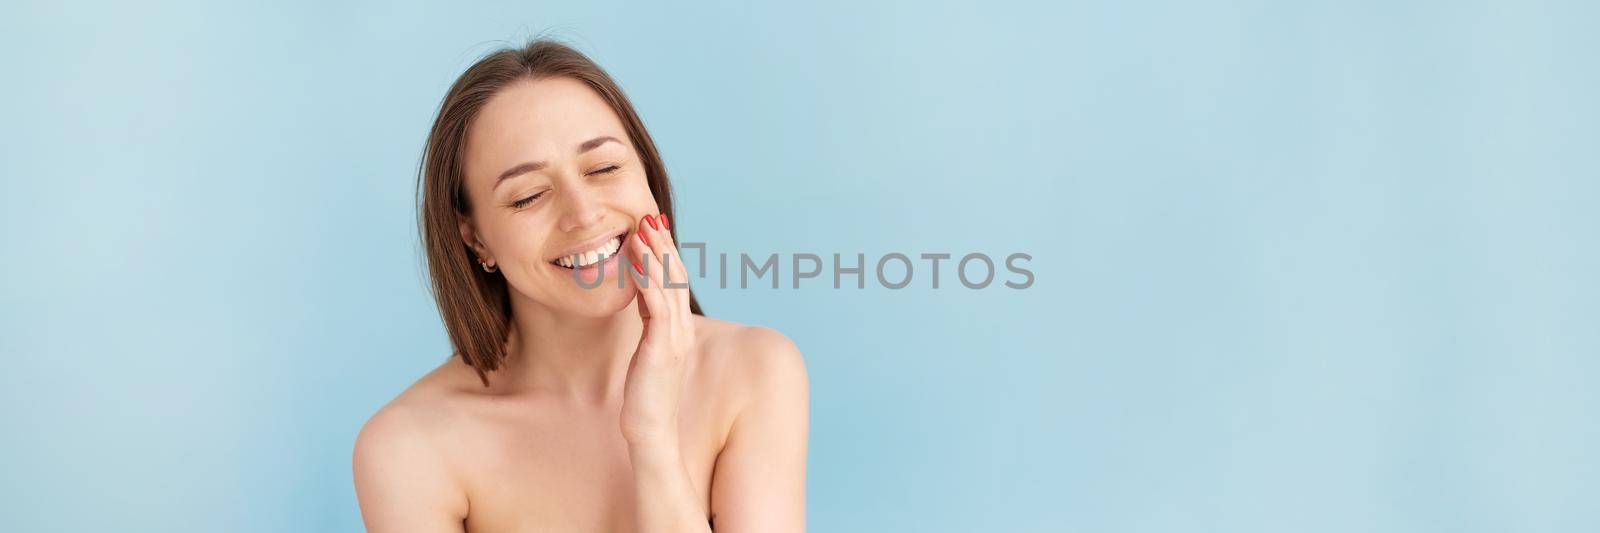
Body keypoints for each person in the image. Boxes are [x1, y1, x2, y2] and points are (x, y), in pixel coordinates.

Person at [353, 39, 808, 532]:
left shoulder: (755, 371)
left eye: (604, 168)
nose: (584, 213)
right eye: (528, 197)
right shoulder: (408, 447)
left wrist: (652, 439)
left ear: (647, 176)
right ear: (476, 237)